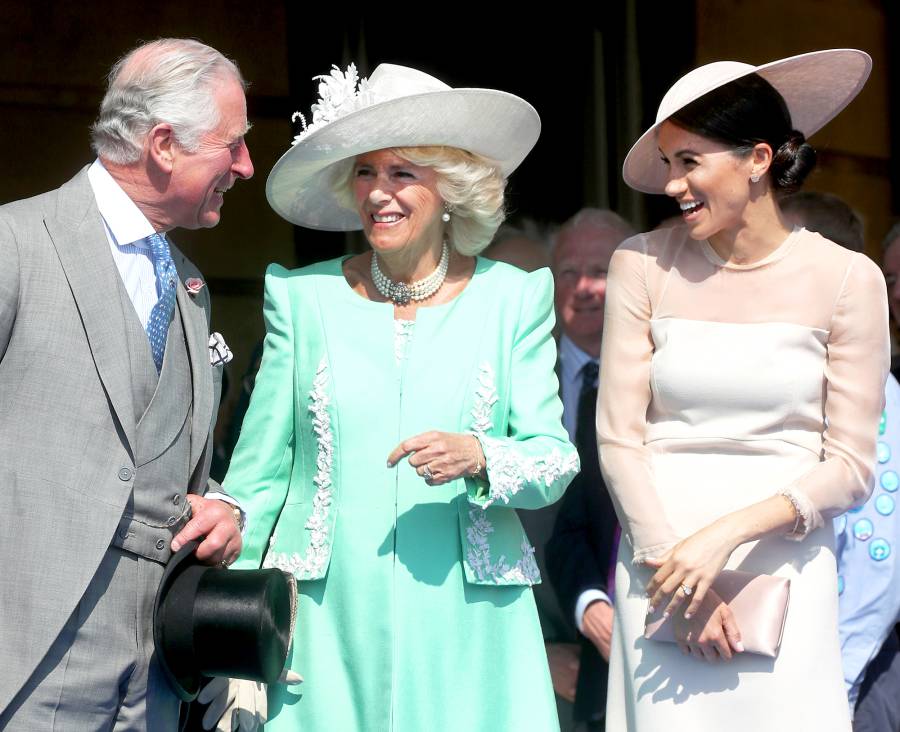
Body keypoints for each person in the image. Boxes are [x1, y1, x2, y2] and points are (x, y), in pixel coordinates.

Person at [216, 63, 579, 731]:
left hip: (472, 625)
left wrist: (480, 455)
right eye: (365, 172)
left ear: (451, 189)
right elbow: (254, 481)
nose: (378, 193)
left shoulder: (513, 298)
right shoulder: (301, 299)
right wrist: (236, 636)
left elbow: (554, 461)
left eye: (402, 173)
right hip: (324, 623)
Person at [600, 49, 887, 730]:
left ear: (757, 159)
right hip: (658, 567)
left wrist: (723, 538)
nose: (672, 184)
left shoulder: (848, 280)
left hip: (784, 568)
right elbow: (618, 438)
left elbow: (850, 468)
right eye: (668, 164)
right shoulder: (639, 264)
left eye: (689, 160)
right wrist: (675, 572)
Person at [0, 38, 251, 729]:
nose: (246, 166)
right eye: (232, 145)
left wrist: (221, 508)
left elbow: (172, 462)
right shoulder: (15, 245)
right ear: (164, 145)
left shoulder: (193, 290)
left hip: (161, 675)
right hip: (24, 658)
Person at [544, 208, 635, 731]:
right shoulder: (515, 385)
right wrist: (537, 645)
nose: (583, 287)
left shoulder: (666, 379)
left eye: (601, 271)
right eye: (567, 272)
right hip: (545, 659)